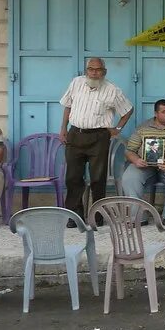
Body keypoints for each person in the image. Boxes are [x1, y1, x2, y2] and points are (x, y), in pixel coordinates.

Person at [59, 57, 133, 225]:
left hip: (99, 137)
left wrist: (118, 129)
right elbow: (68, 106)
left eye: (98, 69)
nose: (94, 72)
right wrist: (63, 128)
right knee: (72, 177)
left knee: (98, 178)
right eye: (90, 69)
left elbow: (128, 109)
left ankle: (97, 216)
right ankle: (74, 215)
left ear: (104, 72)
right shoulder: (76, 83)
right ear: (86, 71)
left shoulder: (112, 90)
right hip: (75, 134)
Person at [121, 99, 165, 226]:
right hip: (146, 166)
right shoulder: (143, 127)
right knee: (129, 177)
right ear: (156, 113)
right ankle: (138, 217)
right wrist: (136, 160)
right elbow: (129, 150)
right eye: (164, 112)